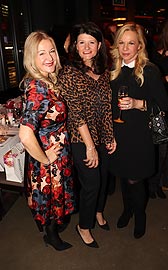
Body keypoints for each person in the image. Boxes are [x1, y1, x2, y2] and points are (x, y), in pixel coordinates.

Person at [109, 22, 168, 238]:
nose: (126, 48)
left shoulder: (150, 70)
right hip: (119, 134)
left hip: (140, 135)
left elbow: (164, 105)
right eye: (122, 43)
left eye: (131, 43)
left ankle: (140, 216)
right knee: (124, 177)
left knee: (136, 179)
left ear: (139, 46)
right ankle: (127, 210)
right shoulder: (114, 71)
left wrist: (137, 104)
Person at [59, 22, 116, 248]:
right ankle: (83, 226)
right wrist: (91, 146)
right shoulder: (69, 73)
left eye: (91, 42)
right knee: (92, 184)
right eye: (81, 42)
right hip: (81, 139)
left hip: (102, 136)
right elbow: (76, 113)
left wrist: (110, 136)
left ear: (99, 44)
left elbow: (106, 109)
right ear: (75, 45)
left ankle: (99, 212)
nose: (86, 47)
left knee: (104, 179)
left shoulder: (103, 71)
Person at [19, 31, 75, 251]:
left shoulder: (47, 80)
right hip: (49, 158)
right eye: (41, 53)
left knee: (55, 198)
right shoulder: (37, 88)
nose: (49, 57)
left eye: (51, 51)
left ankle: (53, 229)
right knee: (51, 200)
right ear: (32, 57)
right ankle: (51, 236)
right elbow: (25, 135)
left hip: (57, 153)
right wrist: (45, 158)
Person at [148, 14, 168, 199]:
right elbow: (147, 85)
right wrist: (167, 79)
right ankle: (152, 184)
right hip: (162, 110)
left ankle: (161, 183)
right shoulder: (154, 58)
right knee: (161, 150)